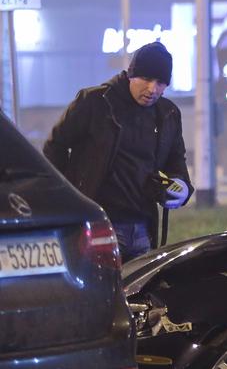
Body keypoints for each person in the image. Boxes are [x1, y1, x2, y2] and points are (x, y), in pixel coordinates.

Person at [43, 42, 192, 261]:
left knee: (138, 294)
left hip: (143, 228)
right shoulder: (94, 103)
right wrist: (69, 195)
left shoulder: (168, 113)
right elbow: (55, 146)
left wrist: (182, 189)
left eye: (161, 83)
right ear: (132, 74)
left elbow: (176, 161)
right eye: (147, 79)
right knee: (100, 294)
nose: (153, 89)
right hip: (99, 225)